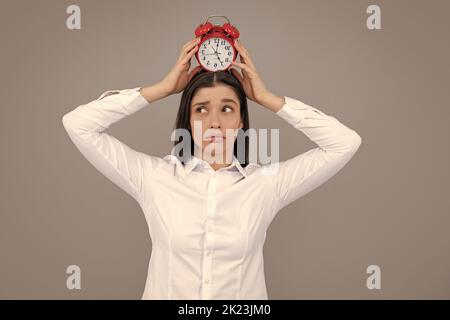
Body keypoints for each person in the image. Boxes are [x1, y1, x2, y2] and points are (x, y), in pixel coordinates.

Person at [62, 36, 362, 300]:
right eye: (201, 109)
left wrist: (266, 98)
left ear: (242, 120)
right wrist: (163, 89)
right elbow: (78, 124)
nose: (215, 122)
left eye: (227, 108)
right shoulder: (153, 178)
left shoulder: (266, 184)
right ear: (187, 120)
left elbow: (344, 142)